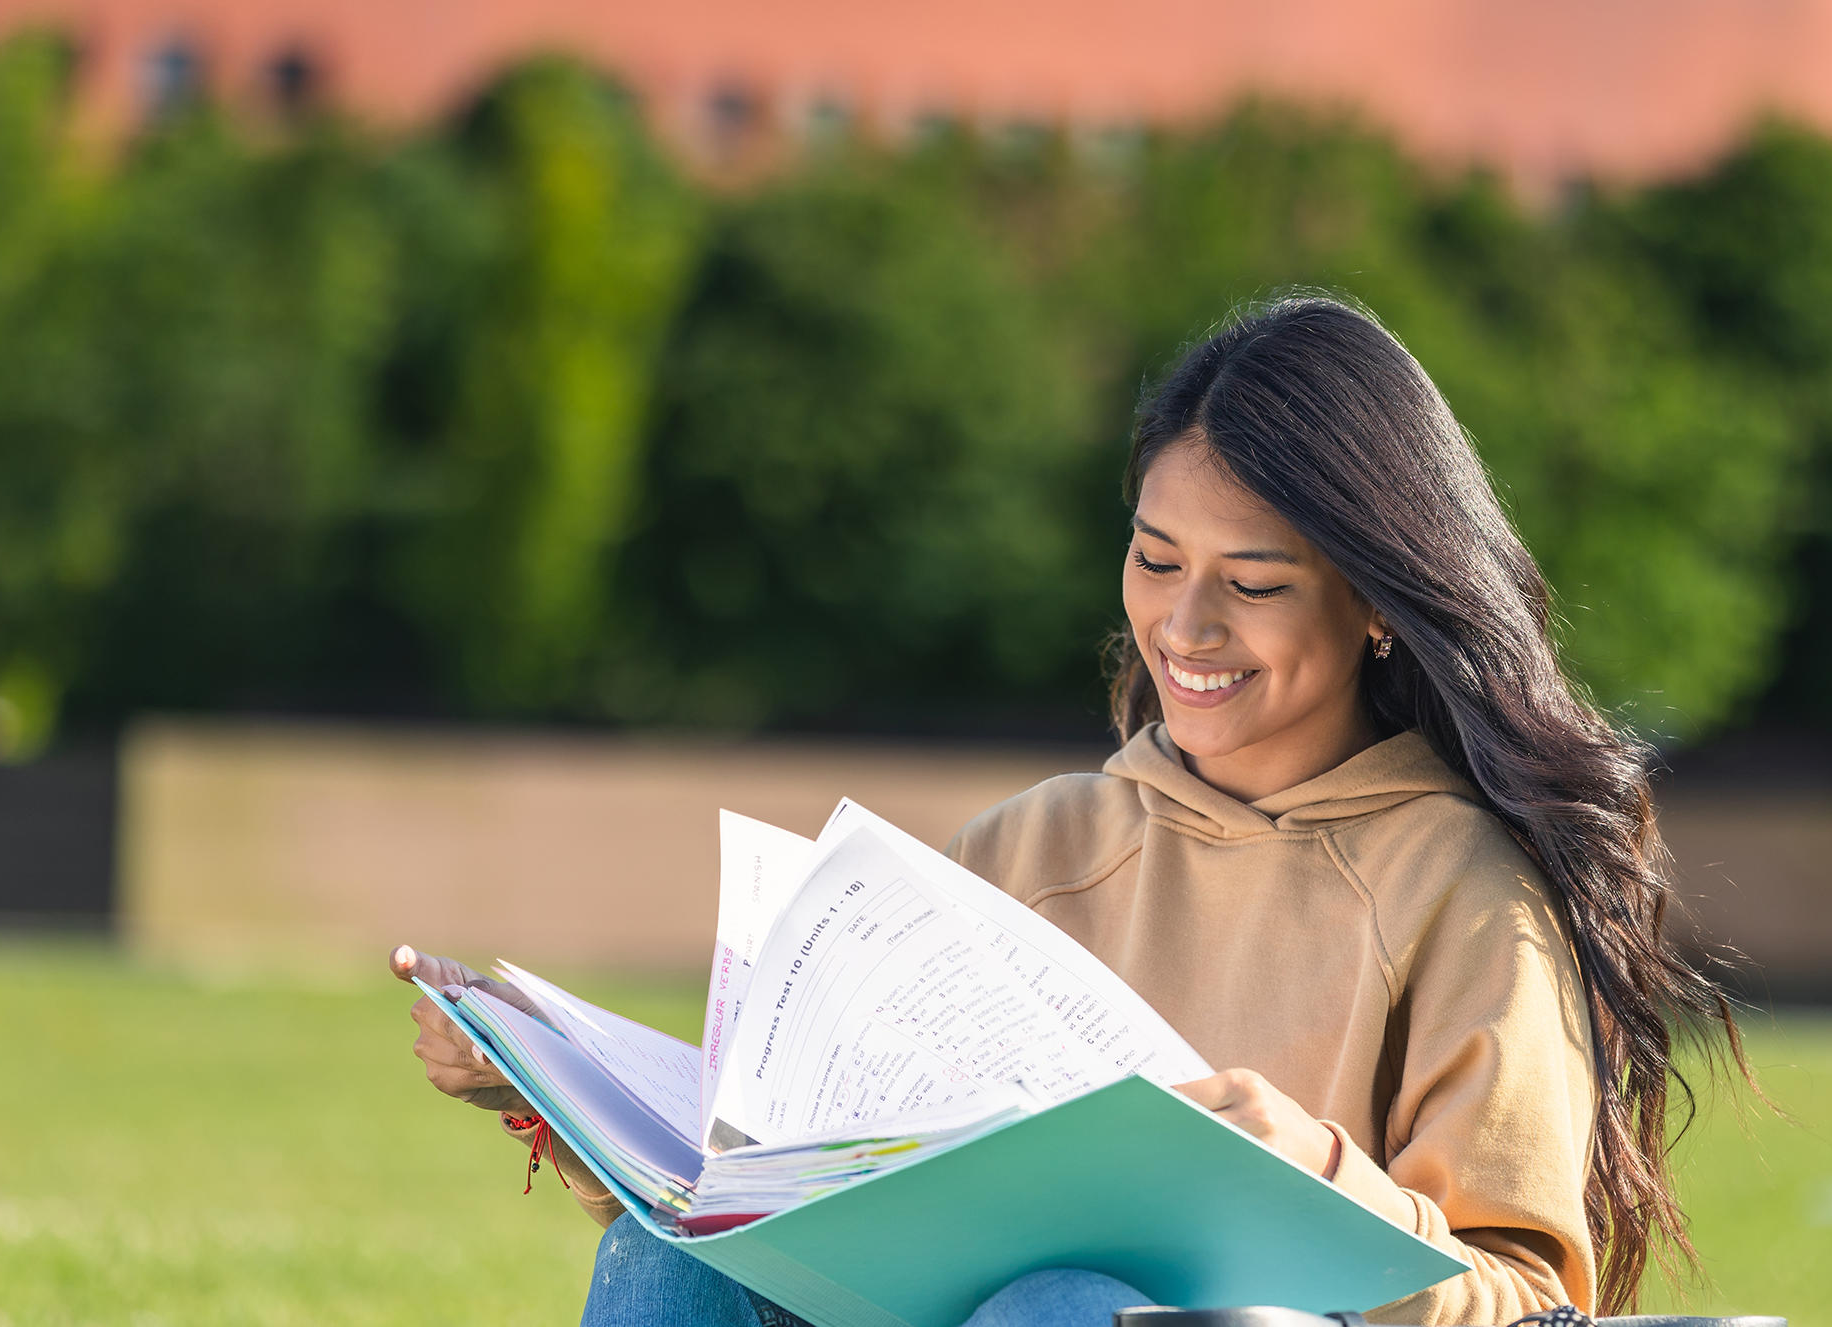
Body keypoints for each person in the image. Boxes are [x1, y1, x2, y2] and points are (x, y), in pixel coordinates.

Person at [394, 295, 1750, 1326]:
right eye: (1156, 558)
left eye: (1255, 581)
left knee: (1057, 1303)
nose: (1186, 621)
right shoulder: (1025, 849)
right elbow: (787, 1205)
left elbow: (1527, 1299)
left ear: (1380, 602)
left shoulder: (1465, 887)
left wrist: (1308, 1166)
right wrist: (566, 1109)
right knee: (658, 1258)